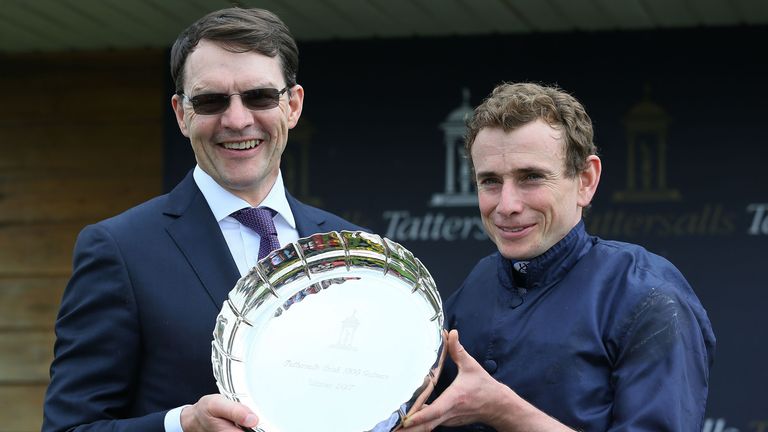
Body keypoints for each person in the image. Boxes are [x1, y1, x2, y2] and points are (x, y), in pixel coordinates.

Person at [42, 7, 365, 432]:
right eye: (211, 100)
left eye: (259, 97)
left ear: (292, 105)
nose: (236, 119)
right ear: (182, 114)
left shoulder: (353, 249)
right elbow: (69, 427)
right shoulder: (119, 250)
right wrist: (182, 424)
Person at [400, 82, 716, 431]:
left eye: (531, 177)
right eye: (489, 181)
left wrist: (503, 409)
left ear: (586, 180)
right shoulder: (478, 282)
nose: (507, 205)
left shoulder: (648, 296)